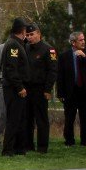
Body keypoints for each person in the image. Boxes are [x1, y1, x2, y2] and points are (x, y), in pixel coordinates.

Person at [23, 24, 58, 153]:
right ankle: (28, 145)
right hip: (27, 89)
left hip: (41, 89)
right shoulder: (25, 48)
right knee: (27, 119)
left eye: (32, 35)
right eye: (27, 35)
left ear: (39, 34)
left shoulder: (48, 50)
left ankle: (42, 147)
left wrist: (48, 90)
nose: (29, 37)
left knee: (41, 119)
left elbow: (53, 71)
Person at [56, 31, 86, 147]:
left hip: (84, 90)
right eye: (80, 40)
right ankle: (69, 140)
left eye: (84, 39)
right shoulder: (64, 56)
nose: (83, 42)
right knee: (69, 117)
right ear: (73, 42)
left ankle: (85, 141)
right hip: (70, 91)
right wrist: (60, 93)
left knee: (84, 117)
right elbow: (60, 76)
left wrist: (84, 56)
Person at [1, 18, 29, 157]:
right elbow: (11, 69)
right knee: (14, 119)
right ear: (22, 30)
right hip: (13, 88)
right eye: (25, 30)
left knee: (20, 118)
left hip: (17, 87)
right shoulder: (13, 45)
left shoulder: (18, 43)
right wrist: (19, 87)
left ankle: (19, 148)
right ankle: (8, 149)